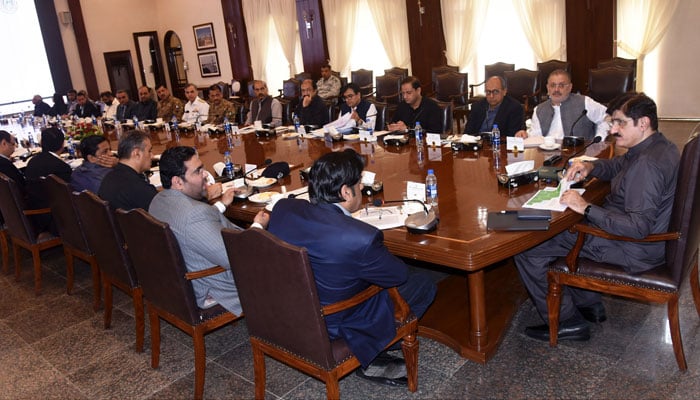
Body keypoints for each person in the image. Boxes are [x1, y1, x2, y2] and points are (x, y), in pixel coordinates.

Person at [514, 93, 680, 342]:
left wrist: (586, 208)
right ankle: (590, 303)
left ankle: (567, 322)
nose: (612, 129)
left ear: (643, 123)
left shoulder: (648, 165)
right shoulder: (658, 146)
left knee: (528, 246)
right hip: (634, 237)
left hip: (632, 248)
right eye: (612, 122)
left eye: (619, 123)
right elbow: (618, 165)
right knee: (556, 229)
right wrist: (591, 166)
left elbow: (638, 228)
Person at [268, 149, 437, 386]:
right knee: (423, 283)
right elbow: (397, 275)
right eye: (359, 184)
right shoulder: (360, 237)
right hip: (334, 322)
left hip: (288, 310)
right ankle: (371, 351)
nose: (362, 190)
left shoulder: (284, 208)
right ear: (346, 191)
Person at [149, 146, 269, 314]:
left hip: (177, 280)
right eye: (198, 171)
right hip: (214, 287)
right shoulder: (194, 215)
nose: (205, 174)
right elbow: (237, 257)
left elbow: (194, 228)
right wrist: (257, 227)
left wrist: (221, 205)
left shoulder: (158, 200)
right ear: (178, 182)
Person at [524, 69, 608, 140]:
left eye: (561, 85)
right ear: (547, 88)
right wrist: (525, 136)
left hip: (579, 154)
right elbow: (535, 137)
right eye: (552, 85)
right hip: (547, 154)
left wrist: (598, 140)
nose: (556, 89)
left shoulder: (585, 102)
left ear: (570, 87)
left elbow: (606, 118)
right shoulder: (539, 109)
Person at [25, 128, 72, 231]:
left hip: (35, 218)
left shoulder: (32, 161)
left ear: (42, 143)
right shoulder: (61, 167)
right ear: (62, 144)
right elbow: (67, 197)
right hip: (55, 220)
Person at [98, 130, 157, 210]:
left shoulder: (108, 178)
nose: (152, 156)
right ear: (136, 153)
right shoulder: (141, 189)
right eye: (149, 151)